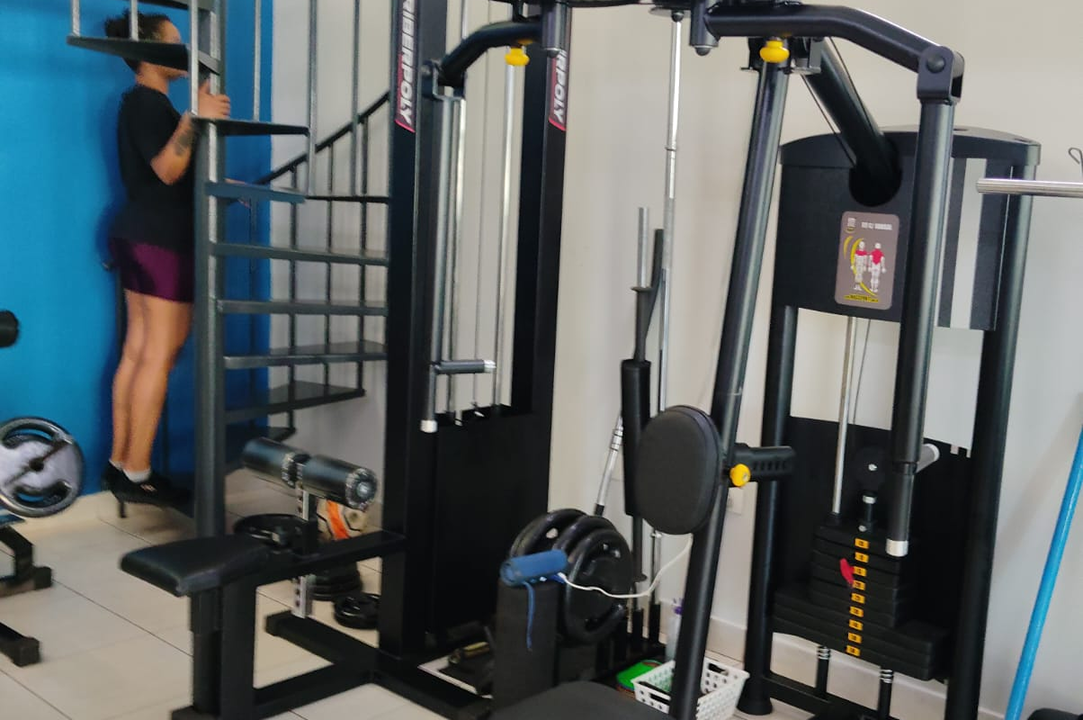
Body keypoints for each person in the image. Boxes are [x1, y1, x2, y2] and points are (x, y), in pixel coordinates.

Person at [102, 11, 231, 504]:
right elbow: (167, 169)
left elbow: (167, 173)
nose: (184, 52)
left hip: (140, 235)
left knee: (139, 352)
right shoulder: (148, 102)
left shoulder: (142, 104)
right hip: (159, 241)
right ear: (149, 52)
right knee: (158, 354)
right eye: (174, 43)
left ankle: (120, 466)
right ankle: (139, 473)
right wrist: (196, 115)